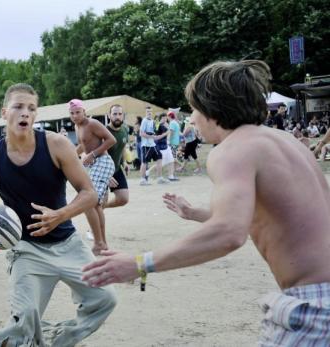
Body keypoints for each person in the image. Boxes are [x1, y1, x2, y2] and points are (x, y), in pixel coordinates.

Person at [82, 60, 330, 345]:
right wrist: (195, 213)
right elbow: (270, 212)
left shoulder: (232, 150)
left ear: (213, 109)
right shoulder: (287, 142)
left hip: (315, 304)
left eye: (195, 110)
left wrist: (139, 264)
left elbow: (230, 232)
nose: (192, 120)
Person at [0, 83, 116, 347]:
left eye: (31, 109)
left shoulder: (56, 145)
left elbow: (89, 193)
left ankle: (53, 338)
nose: (25, 113)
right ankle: (23, 334)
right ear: (5, 112)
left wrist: (61, 214)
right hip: (26, 249)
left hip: (68, 244)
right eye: (18, 107)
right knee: (26, 317)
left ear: (36, 116)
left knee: (105, 299)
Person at [69, 99, 116, 254]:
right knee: (94, 204)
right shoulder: (78, 126)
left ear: (84, 111)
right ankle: (102, 243)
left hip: (102, 162)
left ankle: (98, 243)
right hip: (92, 163)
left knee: (88, 201)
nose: (75, 116)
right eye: (72, 113)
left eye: (77, 112)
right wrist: (68, 157)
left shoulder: (92, 123)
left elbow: (111, 140)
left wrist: (93, 154)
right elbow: (83, 145)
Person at [103, 104, 130, 210]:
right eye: (114, 114)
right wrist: (106, 175)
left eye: (120, 114)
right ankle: (98, 210)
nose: (117, 116)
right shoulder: (104, 131)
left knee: (123, 198)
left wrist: (124, 162)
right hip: (103, 171)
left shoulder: (124, 130)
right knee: (101, 200)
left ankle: (101, 207)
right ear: (109, 115)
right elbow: (100, 154)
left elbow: (122, 146)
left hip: (116, 169)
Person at [139, 107, 164, 185]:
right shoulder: (144, 120)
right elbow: (141, 133)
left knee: (159, 158)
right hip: (146, 145)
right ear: (145, 112)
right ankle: (142, 180)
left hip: (153, 145)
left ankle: (159, 178)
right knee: (144, 162)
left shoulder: (153, 121)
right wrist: (151, 137)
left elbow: (156, 129)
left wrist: (159, 121)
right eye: (148, 111)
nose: (149, 113)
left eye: (150, 111)